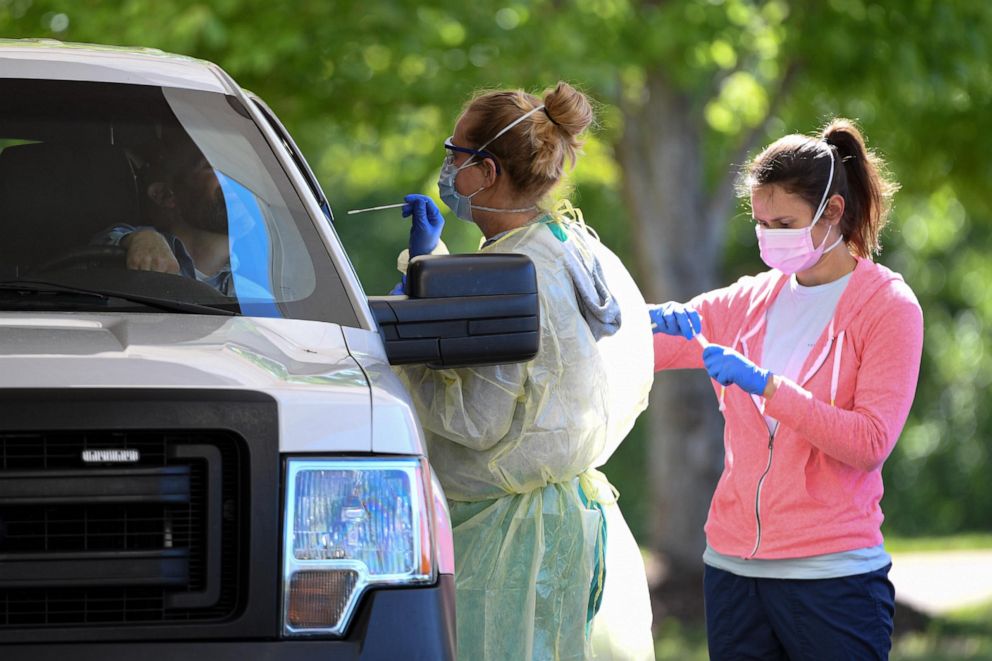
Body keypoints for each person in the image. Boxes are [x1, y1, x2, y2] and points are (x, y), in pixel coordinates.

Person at [392, 82, 655, 660]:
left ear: (485, 171)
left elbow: (479, 420)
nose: (446, 167)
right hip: (562, 519)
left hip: (513, 540)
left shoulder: (511, 271)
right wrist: (430, 273)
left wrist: (406, 355)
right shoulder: (564, 244)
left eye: (454, 153)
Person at [649, 118, 923, 660]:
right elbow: (633, 348)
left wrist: (771, 387)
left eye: (784, 222)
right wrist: (645, 319)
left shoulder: (888, 307)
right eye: (761, 222)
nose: (769, 235)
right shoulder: (749, 301)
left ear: (833, 214)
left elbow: (869, 444)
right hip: (732, 575)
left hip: (832, 581)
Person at [94, 141, 237, 295]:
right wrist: (139, 240)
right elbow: (96, 252)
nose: (239, 181)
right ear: (165, 195)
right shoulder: (136, 243)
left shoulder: (260, 275)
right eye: (212, 166)